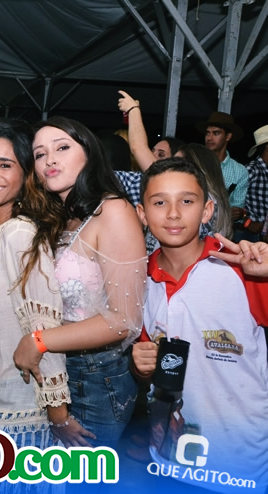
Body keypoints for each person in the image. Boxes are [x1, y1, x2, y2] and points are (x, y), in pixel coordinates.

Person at [132, 158, 268, 493]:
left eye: (187, 201)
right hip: (168, 459)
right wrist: (140, 366)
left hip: (239, 462)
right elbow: (149, 365)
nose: (173, 214)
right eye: (160, 202)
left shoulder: (241, 268)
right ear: (142, 214)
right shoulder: (138, 279)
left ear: (207, 211)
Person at [0, 119, 93, 474]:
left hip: (24, 417)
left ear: (26, 175)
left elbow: (44, 327)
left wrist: (58, 416)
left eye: (5, 165)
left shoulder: (20, 234)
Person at [14, 116, 147, 449]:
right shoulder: (61, 217)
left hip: (97, 377)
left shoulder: (113, 211)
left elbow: (124, 320)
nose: (50, 160)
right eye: (40, 154)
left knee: (82, 475)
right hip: (59, 370)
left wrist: (38, 341)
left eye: (62, 148)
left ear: (89, 153)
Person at [115, 90, 184, 206]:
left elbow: (138, 147)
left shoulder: (174, 183)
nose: (152, 155)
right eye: (152, 151)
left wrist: (133, 110)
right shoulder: (136, 180)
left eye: (161, 155)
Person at [196, 111, 248, 222]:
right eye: (207, 133)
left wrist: (238, 213)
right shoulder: (195, 162)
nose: (209, 138)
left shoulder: (239, 171)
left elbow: (236, 208)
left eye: (216, 133)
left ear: (228, 136)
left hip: (220, 227)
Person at [236, 124, 268, 242]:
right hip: (247, 234)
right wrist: (247, 222)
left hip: (263, 235)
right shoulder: (252, 169)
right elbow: (231, 200)